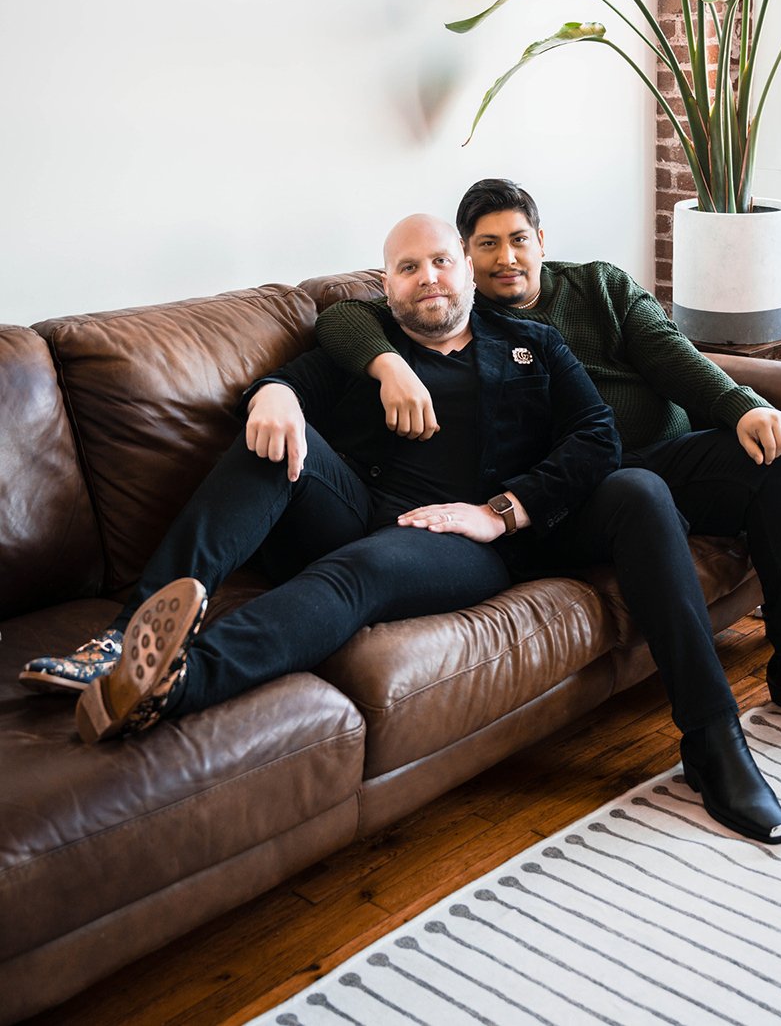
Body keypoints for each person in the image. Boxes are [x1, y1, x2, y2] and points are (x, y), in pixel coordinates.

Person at [314, 178, 781, 839]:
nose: (506, 257)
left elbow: (675, 359)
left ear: (542, 243)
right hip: (587, 491)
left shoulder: (597, 287)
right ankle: (712, 740)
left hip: (664, 455)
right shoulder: (460, 317)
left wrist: (744, 406)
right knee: (637, 492)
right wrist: (388, 364)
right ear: (464, 258)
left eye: (518, 239)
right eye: (486, 245)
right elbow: (342, 313)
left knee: (779, 453)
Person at [20, 214, 622, 749]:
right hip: (353, 510)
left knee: (358, 572)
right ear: (387, 286)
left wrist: (499, 509)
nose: (428, 276)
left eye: (441, 261)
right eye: (408, 267)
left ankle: (174, 683)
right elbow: (287, 384)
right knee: (274, 443)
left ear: (467, 268)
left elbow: (598, 435)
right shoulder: (365, 345)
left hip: (456, 540)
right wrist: (276, 395)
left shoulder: (530, 343)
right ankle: (125, 638)